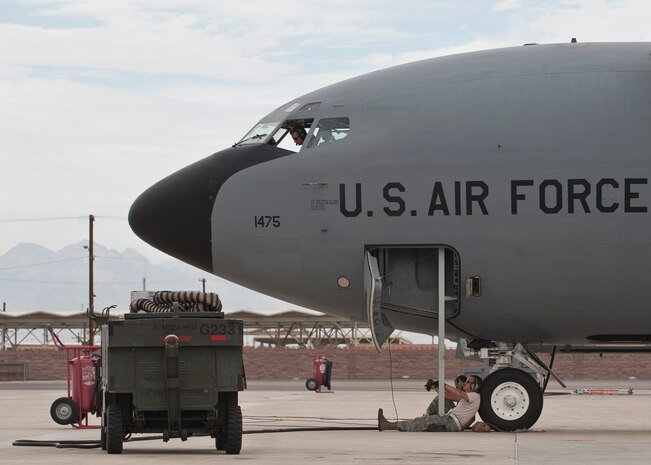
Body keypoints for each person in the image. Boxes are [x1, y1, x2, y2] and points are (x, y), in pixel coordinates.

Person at [378, 375, 482, 432]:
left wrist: (444, 385)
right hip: (451, 421)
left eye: (468, 382)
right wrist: (435, 387)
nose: (465, 382)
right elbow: (446, 396)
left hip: (451, 422)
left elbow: (459, 393)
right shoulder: (469, 397)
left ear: (474, 386)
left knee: (420, 422)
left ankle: (389, 425)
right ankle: (432, 421)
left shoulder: (474, 396)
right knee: (440, 400)